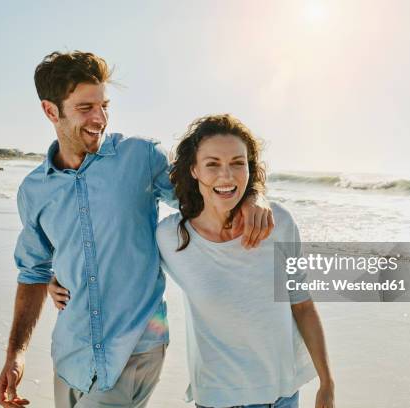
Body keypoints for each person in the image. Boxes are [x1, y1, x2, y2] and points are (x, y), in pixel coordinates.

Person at [0, 51, 274, 408]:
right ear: (51, 111)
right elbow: (33, 271)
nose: (100, 118)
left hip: (134, 349)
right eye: (85, 108)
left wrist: (255, 195)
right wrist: (15, 354)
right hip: (70, 354)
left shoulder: (141, 157)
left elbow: (207, 193)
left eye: (104, 105)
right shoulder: (34, 191)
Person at [50, 114, 335, 408]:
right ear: (194, 170)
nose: (226, 175)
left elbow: (302, 304)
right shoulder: (171, 237)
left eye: (238, 163)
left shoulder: (278, 223)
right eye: (213, 164)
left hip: (285, 395)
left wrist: (327, 383)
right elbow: (118, 260)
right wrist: (60, 275)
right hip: (220, 399)